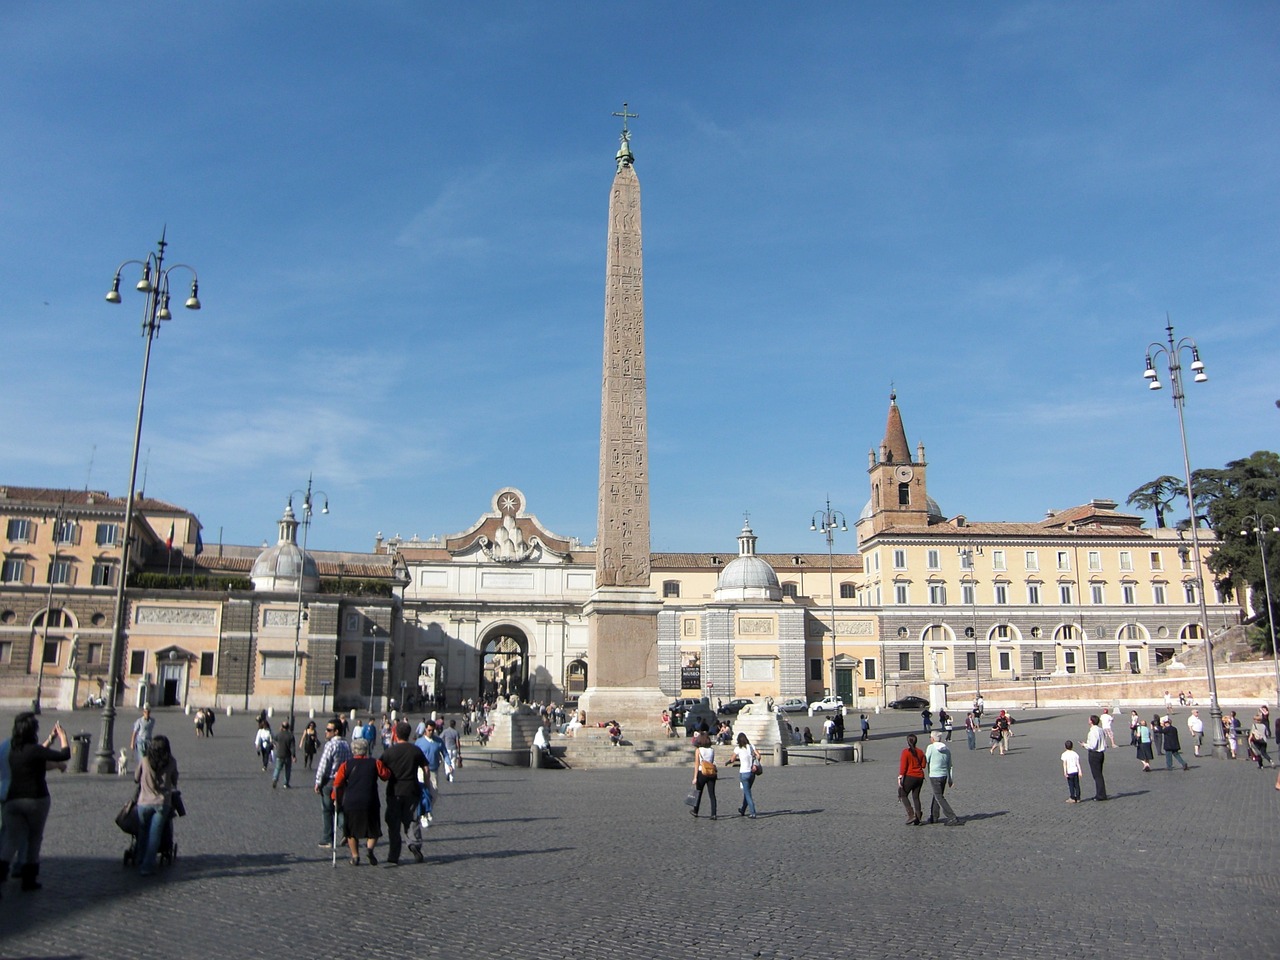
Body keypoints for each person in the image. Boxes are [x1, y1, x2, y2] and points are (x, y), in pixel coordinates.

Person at [0, 713, 69, 894]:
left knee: (10, 840)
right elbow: (63, 755)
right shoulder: (34, 750)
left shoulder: (10, 749)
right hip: (36, 799)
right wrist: (62, 738)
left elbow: (35, 755)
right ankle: (28, 879)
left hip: (11, 799)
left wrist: (49, 740)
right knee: (34, 838)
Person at [377, 721, 427, 865]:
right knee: (412, 819)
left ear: (395, 734)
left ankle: (394, 854)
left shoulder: (389, 752)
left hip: (394, 791)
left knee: (393, 823)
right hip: (412, 789)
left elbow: (380, 769)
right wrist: (427, 786)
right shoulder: (415, 750)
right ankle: (414, 845)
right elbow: (426, 769)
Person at [332, 738, 386, 865]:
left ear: (353, 751)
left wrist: (335, 798)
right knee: (373, 829)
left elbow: (337, 784)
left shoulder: (346, 765)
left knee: (351, 831)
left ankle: (355, 856)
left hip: (351, 801)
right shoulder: (375, 763)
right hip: (370, 800)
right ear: (366, 750)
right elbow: (385, 776)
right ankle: (370, 849)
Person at [133, 734, 179, 876]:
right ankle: (147, 867)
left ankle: (139, 859)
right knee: (155, 836)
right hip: (162, 803)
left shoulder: (145, 760)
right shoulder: (171, 762)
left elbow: (136, 777)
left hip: (144, 802)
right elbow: (175, 780)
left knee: (142, 833)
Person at [314, 719, 352, 849]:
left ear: (336, 731)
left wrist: (318, 782)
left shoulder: (330, 745)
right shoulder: (346, 745)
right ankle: (347, 831)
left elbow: (324, 765)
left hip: (329, 781)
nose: (326, 732)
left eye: (329, 730)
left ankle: (327, 838)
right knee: (339, 808)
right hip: (342, 782)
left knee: (327, 810)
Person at [923, 732, 960, 825]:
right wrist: (950, 779)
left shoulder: (931, 748)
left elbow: (925, 760)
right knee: (937, 795)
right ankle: (934, 816)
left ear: (932, 739)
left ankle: (952, 817)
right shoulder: (946, 749)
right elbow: (950, 765)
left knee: (939, 797)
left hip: (935, 775)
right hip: (944, 775)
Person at [897, 733, 926, 826]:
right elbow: (923, 765)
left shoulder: (905, 752)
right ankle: (918, 817)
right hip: (920, 777)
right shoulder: (920, 752)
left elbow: (903, 766)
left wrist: (900, 776)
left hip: (910, 776)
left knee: (903, 794)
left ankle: (911, 814)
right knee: (916, 797)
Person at [689, 731, 718, 819]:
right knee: (712, 794)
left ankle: (696, 811)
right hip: (711, 773)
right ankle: (713, 813)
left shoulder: (698, 750)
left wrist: (695, 777)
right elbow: (712, 762)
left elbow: (697, 764)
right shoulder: (712, 750)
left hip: (702, 772)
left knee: (699, 793)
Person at [732, 732, 761, 819]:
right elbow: (759, 755)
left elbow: (732, 759)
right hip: (752, 772)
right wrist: (755, 765)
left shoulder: (738, 748)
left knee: (747, 793)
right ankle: (743, 809)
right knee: (746, 791)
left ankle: (753, 812)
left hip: (744, 773)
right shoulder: (751, 746)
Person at [1085, 715, 1108, 801]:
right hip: (1101, 753)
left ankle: (1101, 795)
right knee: (1099, 774)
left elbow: (1093, 745)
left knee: (1097, 775)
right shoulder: (1101, 730)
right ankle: (1100, 793)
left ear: (1091, 721)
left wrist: (1085, 745)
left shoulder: (1093, 732)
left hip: (1094, 754)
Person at [271, 720, 296, 789]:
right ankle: (286, 783)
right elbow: (292, 747)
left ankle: (275, 778)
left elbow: (273, 740)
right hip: (287, 755)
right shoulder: (291, 736)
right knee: (287, 770)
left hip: (279, 754)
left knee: (277, 768)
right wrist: (293, 756)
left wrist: (275, 745)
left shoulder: (279, 734)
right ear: (288, 727)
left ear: (282, 727)